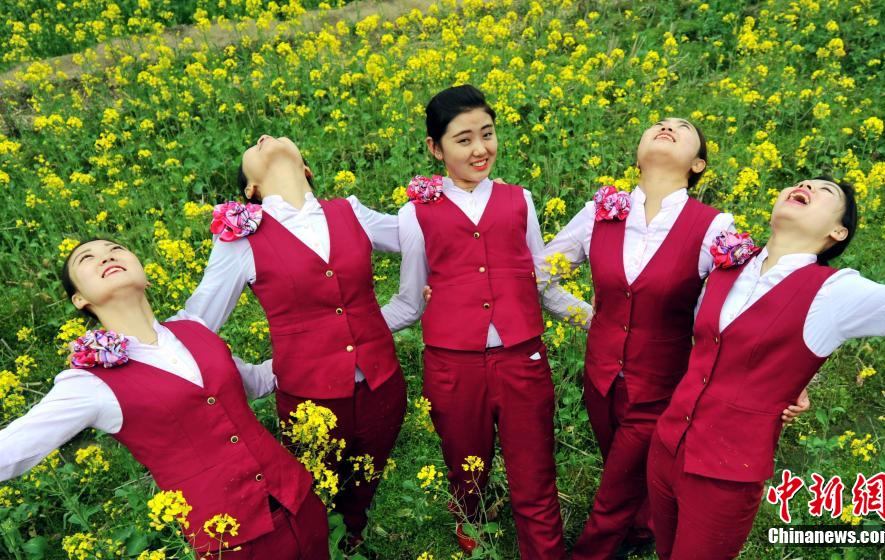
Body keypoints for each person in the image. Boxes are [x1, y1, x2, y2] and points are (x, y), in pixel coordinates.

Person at [534, 118, 809, 559]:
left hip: (662, 388)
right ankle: (644, 528)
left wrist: (793, 378)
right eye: (658, 124)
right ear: (638, 153)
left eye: (682, 128)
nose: (666, 127)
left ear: (697, 164)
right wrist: (592, 319)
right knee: (624, 471)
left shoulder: (713, 226)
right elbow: (540, 279)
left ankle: (593, 551)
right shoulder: (599, 212)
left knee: (612, 494)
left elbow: (755, 302)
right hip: (599, 381)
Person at [648, 177, 885, 559]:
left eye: (825, 191)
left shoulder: (835, 292)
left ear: (838, 231)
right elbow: (711, 343)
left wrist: (793, 376)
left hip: (726, 474)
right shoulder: (729, 264)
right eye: (803, 183)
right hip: (666, 445)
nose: (806, 186)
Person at [0, 239, 329, 559]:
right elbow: (14, 448)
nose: (106, 256)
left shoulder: (195, 329)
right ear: (79, 299)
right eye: (87, 258)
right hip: (230, 541)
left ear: (144, 276)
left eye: (116, 249)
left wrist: (330, 352)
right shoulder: (88, 383)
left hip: (298, 501)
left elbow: (257, 382)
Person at [179, 135, 406, 550]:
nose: (264, 137)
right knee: (312, 496)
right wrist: (253, 377)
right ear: (251, 190)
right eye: (254, 145)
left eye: (274, 137)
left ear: (306, 169)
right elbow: (196, 325)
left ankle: (353, 536)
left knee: (365, 483)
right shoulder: (242, 240)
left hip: (384, 384)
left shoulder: (350, 211)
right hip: (309, 400)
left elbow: (426, 235)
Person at [382, 84, 565, 559]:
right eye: (463, 140)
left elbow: (543, 281)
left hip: (522, 358)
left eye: (487, 134)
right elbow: (409, 301)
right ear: (435, 148)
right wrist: (352, 333)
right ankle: (473, 530)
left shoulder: (520, 200)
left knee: (535, 471)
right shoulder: (415, 213)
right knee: (466, 468)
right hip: (453, 364)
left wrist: (591, 317)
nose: (480, 149)